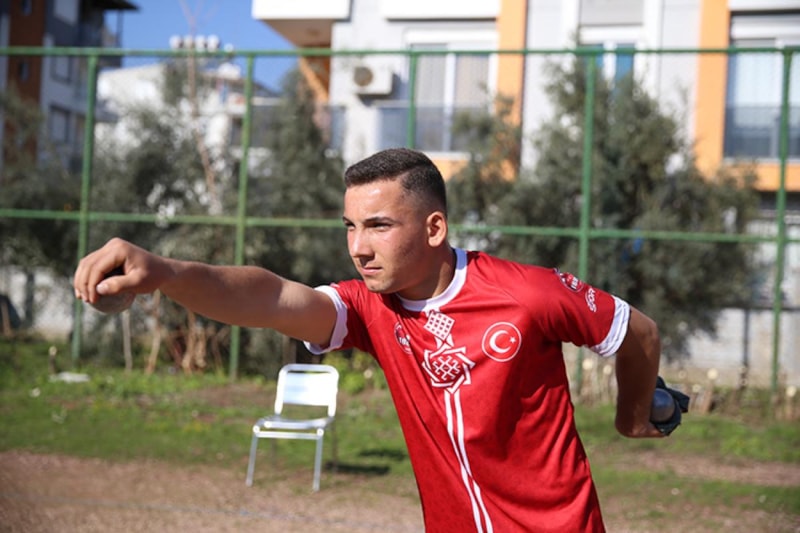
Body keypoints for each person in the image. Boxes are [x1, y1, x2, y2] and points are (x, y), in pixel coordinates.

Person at [74, 147, 663, 532]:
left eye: (379, 225)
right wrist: (165, 274)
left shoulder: (527, 294)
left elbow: (636, 331)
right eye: (351, 227)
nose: (358, 247)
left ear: (434, 227)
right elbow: (268, 297)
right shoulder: (368, 307)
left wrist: (633, 418)